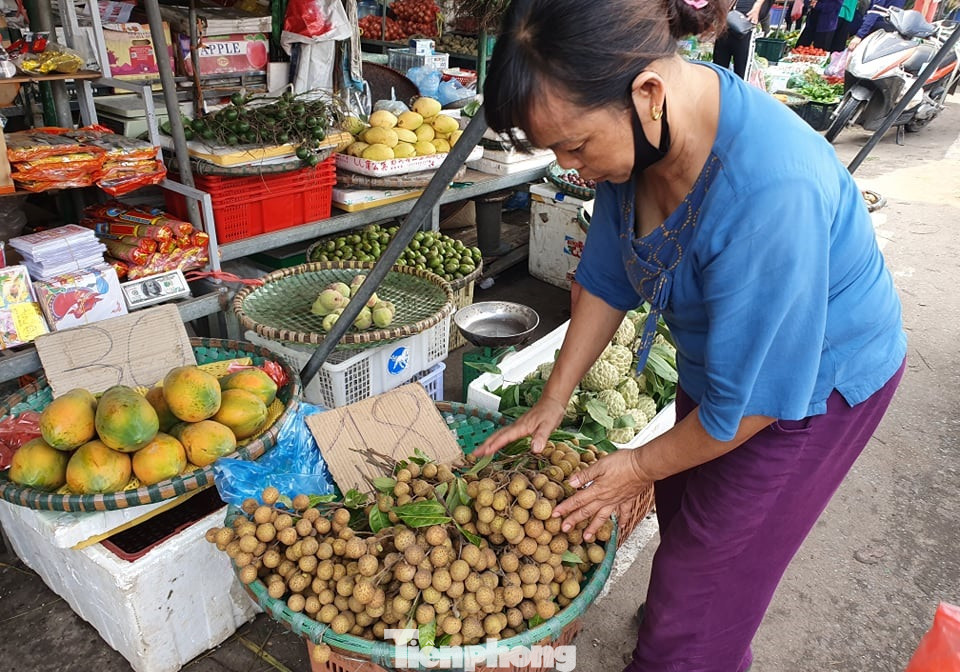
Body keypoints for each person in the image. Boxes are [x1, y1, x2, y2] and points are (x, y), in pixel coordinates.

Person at [476, 0, 907, 670]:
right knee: (684, 520)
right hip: (725, 367)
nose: (570, 169)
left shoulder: (768, 192)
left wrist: (637, 466)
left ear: (647, 93)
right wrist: (553, 400)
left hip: (811, 389)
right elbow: (606, 278)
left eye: (576, 146)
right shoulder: (646, 132)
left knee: (700, 596)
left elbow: (756, 402)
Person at [713, 0, 768, 78]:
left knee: (741, 73)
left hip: (745, 24)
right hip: (726, 22)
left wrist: (757, 5)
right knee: (718, 72)